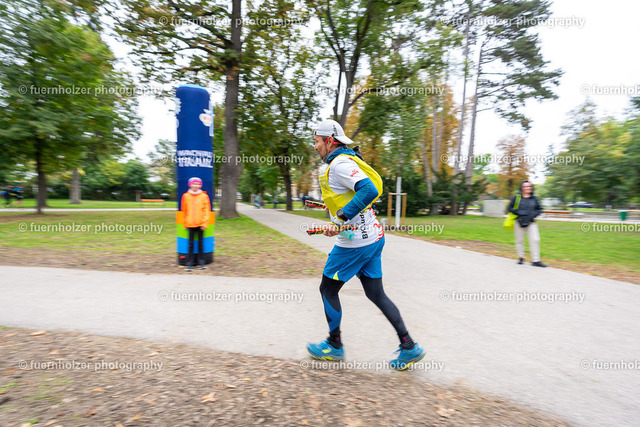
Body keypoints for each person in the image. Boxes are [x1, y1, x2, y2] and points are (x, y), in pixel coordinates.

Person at [306, 119, 426, 371]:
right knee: (376, 293)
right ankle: (409, 346)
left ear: (330, 141)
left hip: (354, 243)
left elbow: (369, 191)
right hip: (373, 237)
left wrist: (339, 219)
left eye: (317, 141)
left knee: (327, 289)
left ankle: (334, 345)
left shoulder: (339, 164)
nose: (315, 146)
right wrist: (334, 209)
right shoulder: (344, 160)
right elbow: (351, 195)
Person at [507, 180, 547, 267]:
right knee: (519, 241)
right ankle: (521, 257)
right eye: (526, 186)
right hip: (519, 222)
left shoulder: (534, 199)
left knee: (535, 240)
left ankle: (536, 260)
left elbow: (539, 209)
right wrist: (520, 212)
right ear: (522, 188)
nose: (528, 188)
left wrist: (533, 215)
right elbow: (510, 208)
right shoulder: (516, 198)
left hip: (531, 222)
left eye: (529, 186)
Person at [180, 177, 210, 272]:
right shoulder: (186, 196)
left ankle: (201, 263)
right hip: (190, 223)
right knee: (190, 245)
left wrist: (204, 223)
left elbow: (206, 210)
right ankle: (189, 264)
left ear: (200, 185)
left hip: (200, 223)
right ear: (190, 185)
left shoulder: (204, 196)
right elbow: (184, 210)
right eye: (194, 183)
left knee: (201, 244)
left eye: (198, 184)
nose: (196, 185)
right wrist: (184, 223)